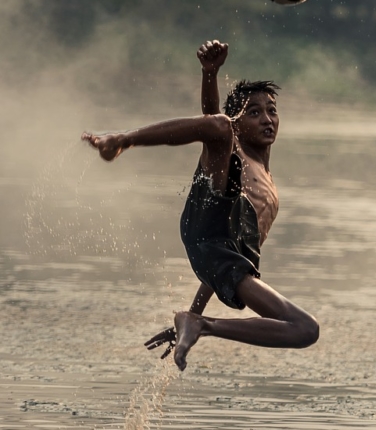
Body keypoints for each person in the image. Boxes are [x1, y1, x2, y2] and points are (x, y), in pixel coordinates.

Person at [80, 40, 319, 371]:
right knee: (216, 128)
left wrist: (195, 313)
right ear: (239, 123)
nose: (267, 118)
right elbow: (212, 119)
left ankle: (199, 325)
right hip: (208, 213)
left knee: (305, 330)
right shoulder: (234, 149)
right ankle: (121, 140)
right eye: (254, 112)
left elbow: (221, 264)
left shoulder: (268, 186)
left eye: (272, 110)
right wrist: (210, 74)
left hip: (221, 251)